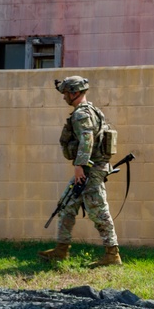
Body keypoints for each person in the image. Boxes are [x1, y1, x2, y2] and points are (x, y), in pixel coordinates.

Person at [38, 75, 122, 267]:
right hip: (88, 169)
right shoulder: (91, 111)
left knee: (99, 211)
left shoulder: (82, 114)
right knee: (66, 205)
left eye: (66, 93)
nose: (64, 97)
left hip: (89, 170)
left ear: (75, 93)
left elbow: (87, 139)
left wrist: (79, 165)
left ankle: (112, 254)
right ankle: (61, 250)